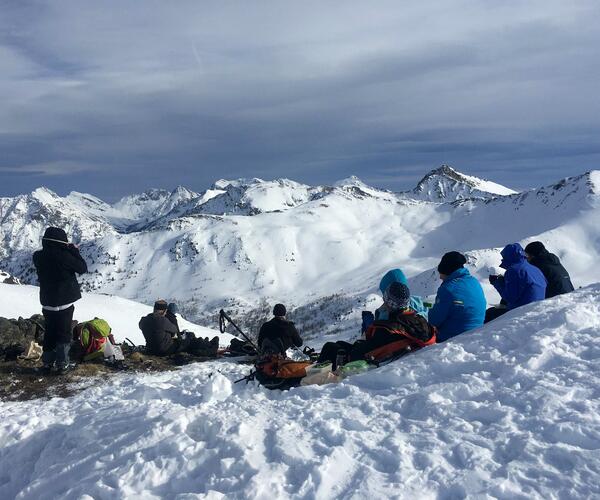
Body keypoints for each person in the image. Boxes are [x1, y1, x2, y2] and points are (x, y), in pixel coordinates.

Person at [318, 282, 436, 366]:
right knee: (339, 343)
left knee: (330, 347)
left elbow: (360, 353)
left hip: (362, 360)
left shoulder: (387, 328)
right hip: (394, 350)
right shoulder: (418, 321)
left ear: (389, 302)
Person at [33, 227, 88, 374]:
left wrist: (66, 249)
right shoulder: (65, 256)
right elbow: (82, 267)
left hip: (47, 301)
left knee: (50, 331)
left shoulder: (37, 256)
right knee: (64, 333)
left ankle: (47, 363)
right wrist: (73, 250)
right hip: (64, 301)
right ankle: (62, 364)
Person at [428, 251, 486, 342]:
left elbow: (434, 320)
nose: (440, 277)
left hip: (453, 337)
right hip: (478, 330)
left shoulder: (448, 289)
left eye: (441, 273)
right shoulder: (474, 281)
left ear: (447, 271)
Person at [485, 243, 547, 323]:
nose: (502, 260)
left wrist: (497, 282)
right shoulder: (535, 269)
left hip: (521, 312)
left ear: (509, 256)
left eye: (504, 257)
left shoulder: (514, 270)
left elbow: (510, 297)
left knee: (490, 314)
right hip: (537, 308)